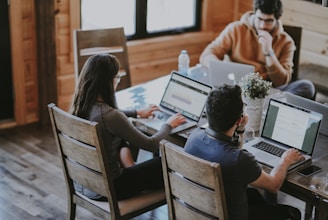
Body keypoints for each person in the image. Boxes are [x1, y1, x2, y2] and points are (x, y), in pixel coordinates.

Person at [69, 53, 186, 200]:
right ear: (108, 81)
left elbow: (109, 117)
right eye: (117, 77)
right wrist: (168, 125)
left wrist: (136, 113)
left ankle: (132, 168)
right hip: (110, 188)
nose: (118, 81)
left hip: (83, 183)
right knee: (165, 162)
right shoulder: (110, 116)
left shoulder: (80, 105)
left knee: (122, 136)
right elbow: (150, 145)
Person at [184, 84, 303, 220]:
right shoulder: (239, 159)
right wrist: (286, 160)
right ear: (239, 119)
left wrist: (239, 131)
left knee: (255, 196)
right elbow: (274, 185)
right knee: (293, 213)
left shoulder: (193, 137)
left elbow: (233, 156)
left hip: (198, 211)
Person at [200, 0, 315, 100]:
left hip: (267, 91)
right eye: (259, 19)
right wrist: (220, 69)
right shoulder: (235, 29)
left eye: (269, 21)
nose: (262, 25)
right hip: (236, 86)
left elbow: (282, 81)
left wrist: (269, 51)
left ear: (277, 19)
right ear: (255, 13)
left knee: (307, 86)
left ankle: (265, 106)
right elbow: (208, 54)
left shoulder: (286, 42)